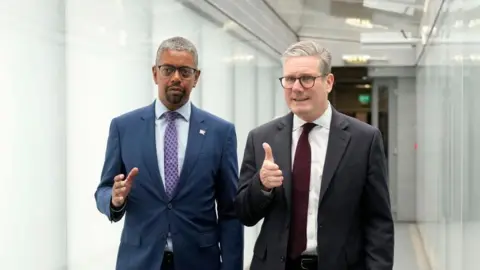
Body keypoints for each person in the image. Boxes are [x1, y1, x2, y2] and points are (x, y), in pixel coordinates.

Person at [234, 40, 394, 270]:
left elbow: (379, 221)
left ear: (328, 82)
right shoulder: (261, 138)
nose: (296, 88)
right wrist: (262, 186)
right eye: (289, 79)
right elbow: (244, 214)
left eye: (306, 79)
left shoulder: (364, 140)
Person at [94, 36, 244, 270]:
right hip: (139, 261)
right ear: (155, 73)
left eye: (185, 71)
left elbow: (230, 210)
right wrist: (114, 200)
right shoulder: (124, 127)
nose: (176, 77)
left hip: (200, 262)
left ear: (196, 78)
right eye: (168, 69)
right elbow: (102, 190)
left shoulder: (220, 132)